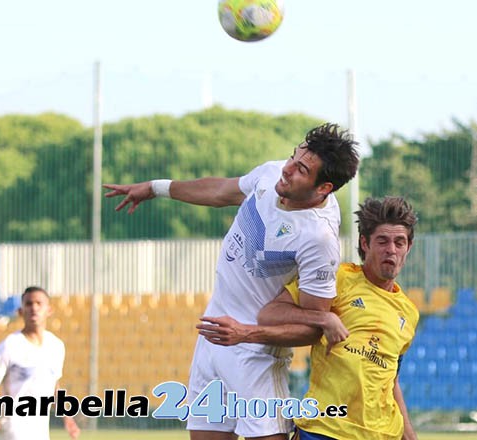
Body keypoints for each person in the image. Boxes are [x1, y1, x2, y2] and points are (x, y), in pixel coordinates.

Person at [103, 123, 359, 440]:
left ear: (323, 188)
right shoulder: (271, 173)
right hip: (214, 336)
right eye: (294, 157)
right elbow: (221, 191)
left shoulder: (319, 239)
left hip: (255, 354)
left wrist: (245, 334)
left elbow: (312, 326)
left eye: (301, 169)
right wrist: (157, 188)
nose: (288, 169)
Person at [198, 196, 420, 440]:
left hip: (383, 433)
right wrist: (322, 319)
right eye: (382, 241)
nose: (391, 250)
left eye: (399, 243)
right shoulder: (338, 278)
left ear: (408, 247)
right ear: (365, 243)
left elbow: (391, 377)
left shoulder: (408, 312)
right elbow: (271, 313)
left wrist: (408, 434)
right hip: (325, 429)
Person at [0, 286, 80, 440]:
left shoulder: (56, 346)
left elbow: (54, 385)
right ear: (20, 311)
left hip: (40, 432)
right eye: (28, 304)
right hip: (12, 431)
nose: (34, 308)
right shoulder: (10, 346)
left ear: (49, 310)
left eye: (39, 303)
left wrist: (67, 417)